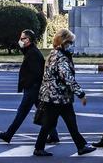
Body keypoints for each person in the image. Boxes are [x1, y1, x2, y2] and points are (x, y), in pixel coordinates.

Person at [33, 29, 96, 157]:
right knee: (55, 123)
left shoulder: (53, 54)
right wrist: (81, 94)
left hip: (55, 96)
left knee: (62, 122)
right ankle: (40, 148)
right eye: (71, 43)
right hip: (57, 97)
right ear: (63, 43)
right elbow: (67, 78)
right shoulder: (61, 58)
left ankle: (81, 146)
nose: (72, 46)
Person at [0, 30, 59, 144]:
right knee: (43, 113)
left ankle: (8, 135)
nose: (20, 40)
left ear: (28, 40)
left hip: (32, 89)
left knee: (22, 112)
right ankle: (53, 135)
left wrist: (28, 84)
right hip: (34, 88)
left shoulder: (33, 53)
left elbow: (37, 73)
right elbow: (26, 53)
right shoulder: (31, 51)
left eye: (22, 38)